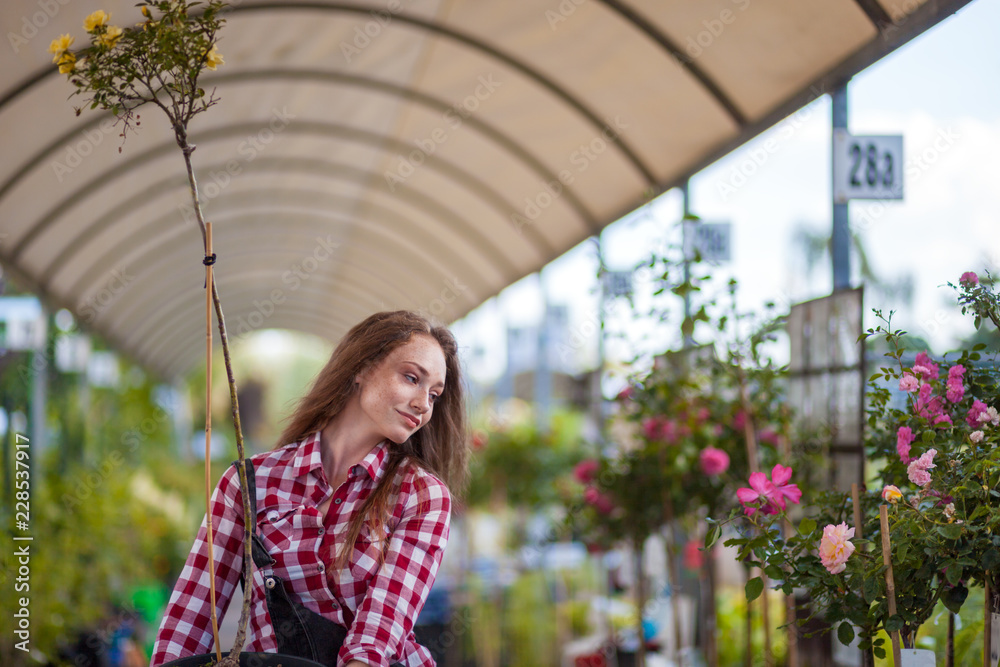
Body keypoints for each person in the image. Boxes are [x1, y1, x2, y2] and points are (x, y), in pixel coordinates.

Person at [151, 311, 469, 667]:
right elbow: (189, 618)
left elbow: (377, 635)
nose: (424, 404)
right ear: (361, 368)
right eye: (412, 378)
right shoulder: (249, 483)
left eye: (435, 394)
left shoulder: (421, 494)